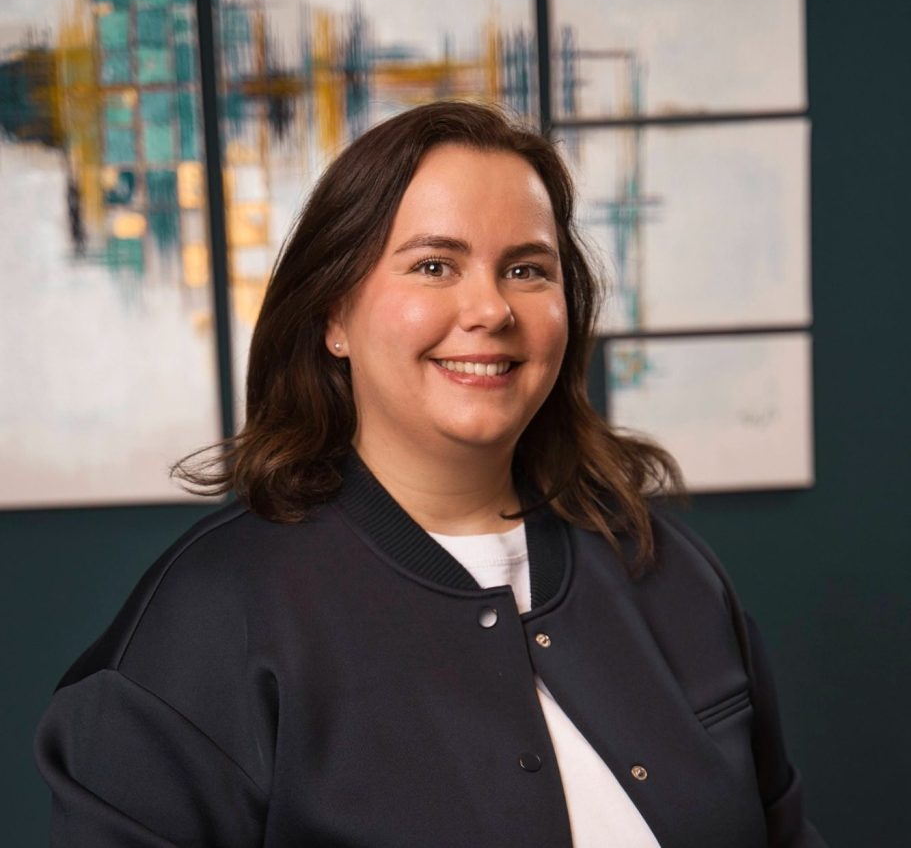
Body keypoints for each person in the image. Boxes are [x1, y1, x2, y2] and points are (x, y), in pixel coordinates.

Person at [34, 101, 827, 847]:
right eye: (435, 265)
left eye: (526, 269)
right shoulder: (206, 618)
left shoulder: (668, 570)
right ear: (334, 315)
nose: (491, 309)